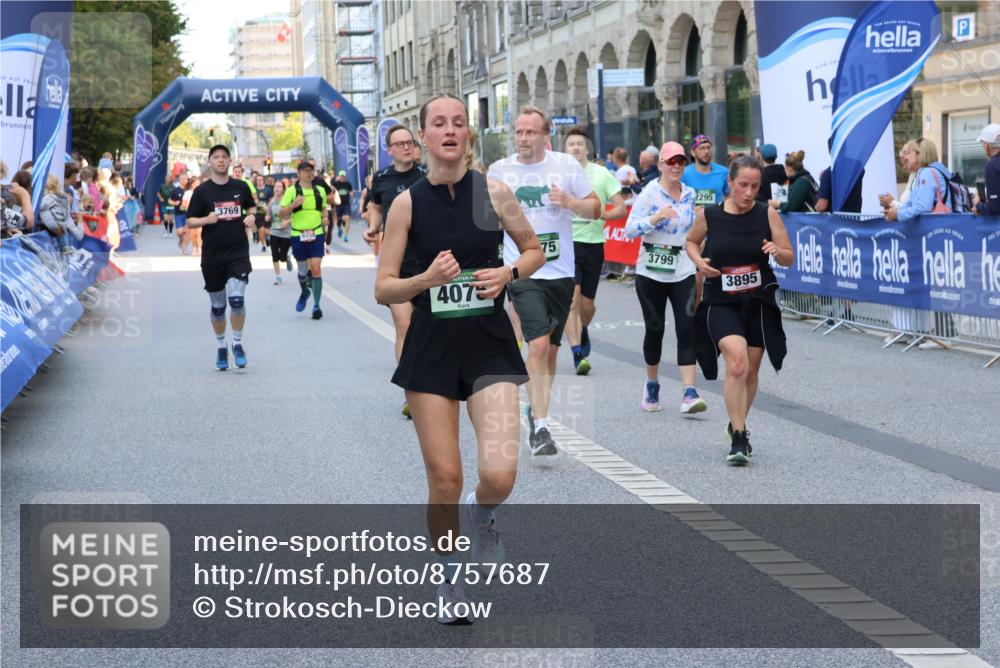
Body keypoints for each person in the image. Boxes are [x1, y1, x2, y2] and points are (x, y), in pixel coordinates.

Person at [374, 93, 545, 624]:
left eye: (459, 123)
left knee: (499, 474)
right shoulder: (407, 204)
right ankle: (449, 579)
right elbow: (383, 289)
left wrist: (508, 274)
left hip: (488, 344)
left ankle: (483, 512)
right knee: (444, 477)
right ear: (424, 136)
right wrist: (425, 280)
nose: (449, 130)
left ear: (468, 134)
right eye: (438, 123)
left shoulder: (492, 191)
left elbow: (535, 249)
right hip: (431, 349)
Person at [488, 106, 600, 456]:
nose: (523, 138)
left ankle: (535, 407)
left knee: (550, 351)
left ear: (544, 135)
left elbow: (596, 208)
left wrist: (569, 202)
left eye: (530, 132)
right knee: (536, 346)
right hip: (522, 271)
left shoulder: (566, 166)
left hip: (560, 271)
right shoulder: (499, 171)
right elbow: (484, 222)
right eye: (519, 132)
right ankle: (541, 425)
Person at [686, 155, 794, 464]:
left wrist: (778, 251)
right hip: (721, 299)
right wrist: (699, 262)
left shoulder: (767, 214)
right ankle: (739, 436)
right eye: (743, 185)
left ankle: (736, 421)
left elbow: (789, 256)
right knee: (736, 363)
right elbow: (691, 242)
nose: (749, 192)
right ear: (730, 183)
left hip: (757, 301)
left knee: (751, 370)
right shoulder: (710, 215)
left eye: (755, 186)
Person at [625, 141, 708, 414]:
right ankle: (651, 384)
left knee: (686, 327)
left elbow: (692, 233)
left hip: (682, 269)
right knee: (655, 329)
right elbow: (629, 230)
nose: (676, 167)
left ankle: (689, 392)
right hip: (650, 272)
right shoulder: (649, 194)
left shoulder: (690, 193)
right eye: (670, 162)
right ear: (660, 165)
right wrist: (654, 218)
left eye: (681, 162)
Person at [363, 124, 427, 418]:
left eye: (409, 143)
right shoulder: (382, 179)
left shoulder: (428, 177)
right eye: (399, 143)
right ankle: (411, 393)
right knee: (404, 325)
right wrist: (373, 226)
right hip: (396, 264)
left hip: (429, 264)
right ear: (389, 150)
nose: (405, 147)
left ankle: (431, 384)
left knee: (426, 329)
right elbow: (376, 207)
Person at [183, 144, 257, 370]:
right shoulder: (202, 191)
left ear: (230, 161)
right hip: (213, 255)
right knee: (218, 307)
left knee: (236, 300)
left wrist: (251, 217)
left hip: (237, 252)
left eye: (225, 157)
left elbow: (252, 208)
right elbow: (190, 221)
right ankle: (221, 348)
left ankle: (237, 343)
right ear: (210, 162)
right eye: (216, 157)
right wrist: (207, 219)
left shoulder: (241, 187)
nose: (221, 160)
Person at [563, 127, 626, 375]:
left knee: (587, 305)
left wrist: (603, 214)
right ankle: (578, 353)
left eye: (580, 144)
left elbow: (620, 208)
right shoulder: (559, 175)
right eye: (571, 144)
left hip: (593, 244)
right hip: (568, 244)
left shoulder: (602, 174)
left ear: (587, 148)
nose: (576, 147)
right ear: (566, 149)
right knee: (572, 300)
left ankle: (582, 328)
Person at [277, 158, 329, 320]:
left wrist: (325, 218)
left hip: (316, 233)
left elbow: (324, 210)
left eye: (311, 170)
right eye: (306, 170)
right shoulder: (292, 191)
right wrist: (294, 205)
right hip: (298, 234)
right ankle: (305, 291)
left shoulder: (320, 190)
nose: (309, 173)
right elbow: (281, 214)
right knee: (302, 271)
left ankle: (316, 306)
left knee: (315, 268)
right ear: (299, 173)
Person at [815, 139, 864, 213]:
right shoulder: (857, 165)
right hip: (854, 221)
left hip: (836, 222)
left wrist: (815, 207)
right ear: (844, 148)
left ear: (829, 151)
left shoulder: (827, 174)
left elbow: (822, 206)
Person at [38, 174, 82, 253]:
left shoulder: (48, 198)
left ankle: (65, 247)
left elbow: (40, 206)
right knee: (64, 234)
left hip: (54, 222)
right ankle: (66, 246)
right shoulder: (60, 197)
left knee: (62, 234)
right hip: (62, 220)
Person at [682, 135, 729, 207]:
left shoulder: (724, 172)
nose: (706, 151)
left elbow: (729, 195)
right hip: (694, 217)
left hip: (717, 217)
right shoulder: (684, 174)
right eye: (702, 148)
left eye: (708, 147)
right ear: (693, 152)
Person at [265, 180, 293, 284]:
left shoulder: (288, 201)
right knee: (274, 255)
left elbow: (295, 216)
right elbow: (268, 215)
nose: (277, 189)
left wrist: (288, 221)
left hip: (286, 233)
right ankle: (278, 276)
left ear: (283, 189)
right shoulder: (271, 202)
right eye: (275, 187)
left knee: (282, 257)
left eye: (280, 187)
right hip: (274, 232)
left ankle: (287, 258)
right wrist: (267, 217)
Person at [975, 123, 1000, 215]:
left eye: (983, 143)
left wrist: (978, 204)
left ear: (987, 145)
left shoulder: (992, 165)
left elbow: (995, 208)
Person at [182, 177, 202, 256]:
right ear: (192, 184)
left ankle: (200, 249)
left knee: (199, 233)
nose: (198, 184)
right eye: (196, 183)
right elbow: (183, 204)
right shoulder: (188, 193)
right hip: (191, 215)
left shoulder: (202, 192)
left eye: (199, 183)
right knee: (193, 234)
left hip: (200, 215)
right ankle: (194, 248)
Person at [332, 170, 353, 243]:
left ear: (345, 177)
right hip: (338, 204)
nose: (342, 177)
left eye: (343, 176)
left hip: (346, 204)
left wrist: (351, 194)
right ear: (339, 176)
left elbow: (351, 191)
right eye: (341, 176)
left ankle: (346, 236)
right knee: (339, 220)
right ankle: (339, 228)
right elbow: (332, 191)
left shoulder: (348, 184)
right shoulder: (335, 184)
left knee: (346, 218)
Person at [171, 174, 189, 253]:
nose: (183, 180)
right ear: (179, 180)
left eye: (185, 178)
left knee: (187, 232)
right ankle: (181, 239)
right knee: (180, 232)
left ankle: (184, 249)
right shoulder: (175, 190)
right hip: (179, 213)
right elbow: (169, 200)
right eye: (182, 178)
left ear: (187, 179)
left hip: (189, 214)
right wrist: (175, 203)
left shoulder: (190, 190)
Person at [254, 173, 270, 251]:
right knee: (261, 229)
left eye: (261, 180)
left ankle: (266, 237)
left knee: (267, 231)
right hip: (258, 213)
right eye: (257, 180)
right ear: (256, 181)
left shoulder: (268, 189)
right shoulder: (254, 189)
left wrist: (268, 208)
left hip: (268, 213)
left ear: (263, 180)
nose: (259, 181)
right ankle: (263, 245)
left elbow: (271, 200)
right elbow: (254, 201)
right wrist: (263, 206)